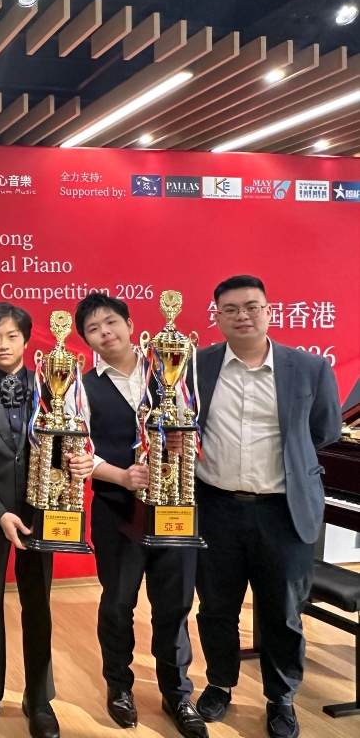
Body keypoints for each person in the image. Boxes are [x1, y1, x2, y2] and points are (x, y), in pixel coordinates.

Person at [192, 276, 340, 738]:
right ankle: (219, 684)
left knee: (283, 611)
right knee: (216, 606)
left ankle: (282, 698)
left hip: (284, 510)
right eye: (231, 309)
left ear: (269, 310)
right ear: (217, 316)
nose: (242, 316)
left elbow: (324, 431)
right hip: (215, 506)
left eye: (252, 306)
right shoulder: (197, 366)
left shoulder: (309, 368)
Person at [0, 302, 93, 738]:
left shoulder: (53, 383)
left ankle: (38, 698)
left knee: (38, 606)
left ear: (27, 341)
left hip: (40, 516)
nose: (4, 345)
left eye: (12, 336)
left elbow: (71, 442)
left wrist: (80, 462)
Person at [74, 293, 206, 738]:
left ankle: (177, 693)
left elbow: (197, 426)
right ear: (86, 339)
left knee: (175, 605)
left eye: (111, 322)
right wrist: (121, 476)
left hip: (174, 509)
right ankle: (119, 687)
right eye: (93, 329)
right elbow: (77, 451)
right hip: (115, 510)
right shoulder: (81, 386)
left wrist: (183, 443)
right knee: (117, 604)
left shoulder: (172, 370)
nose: (105, 333)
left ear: (131, 325)